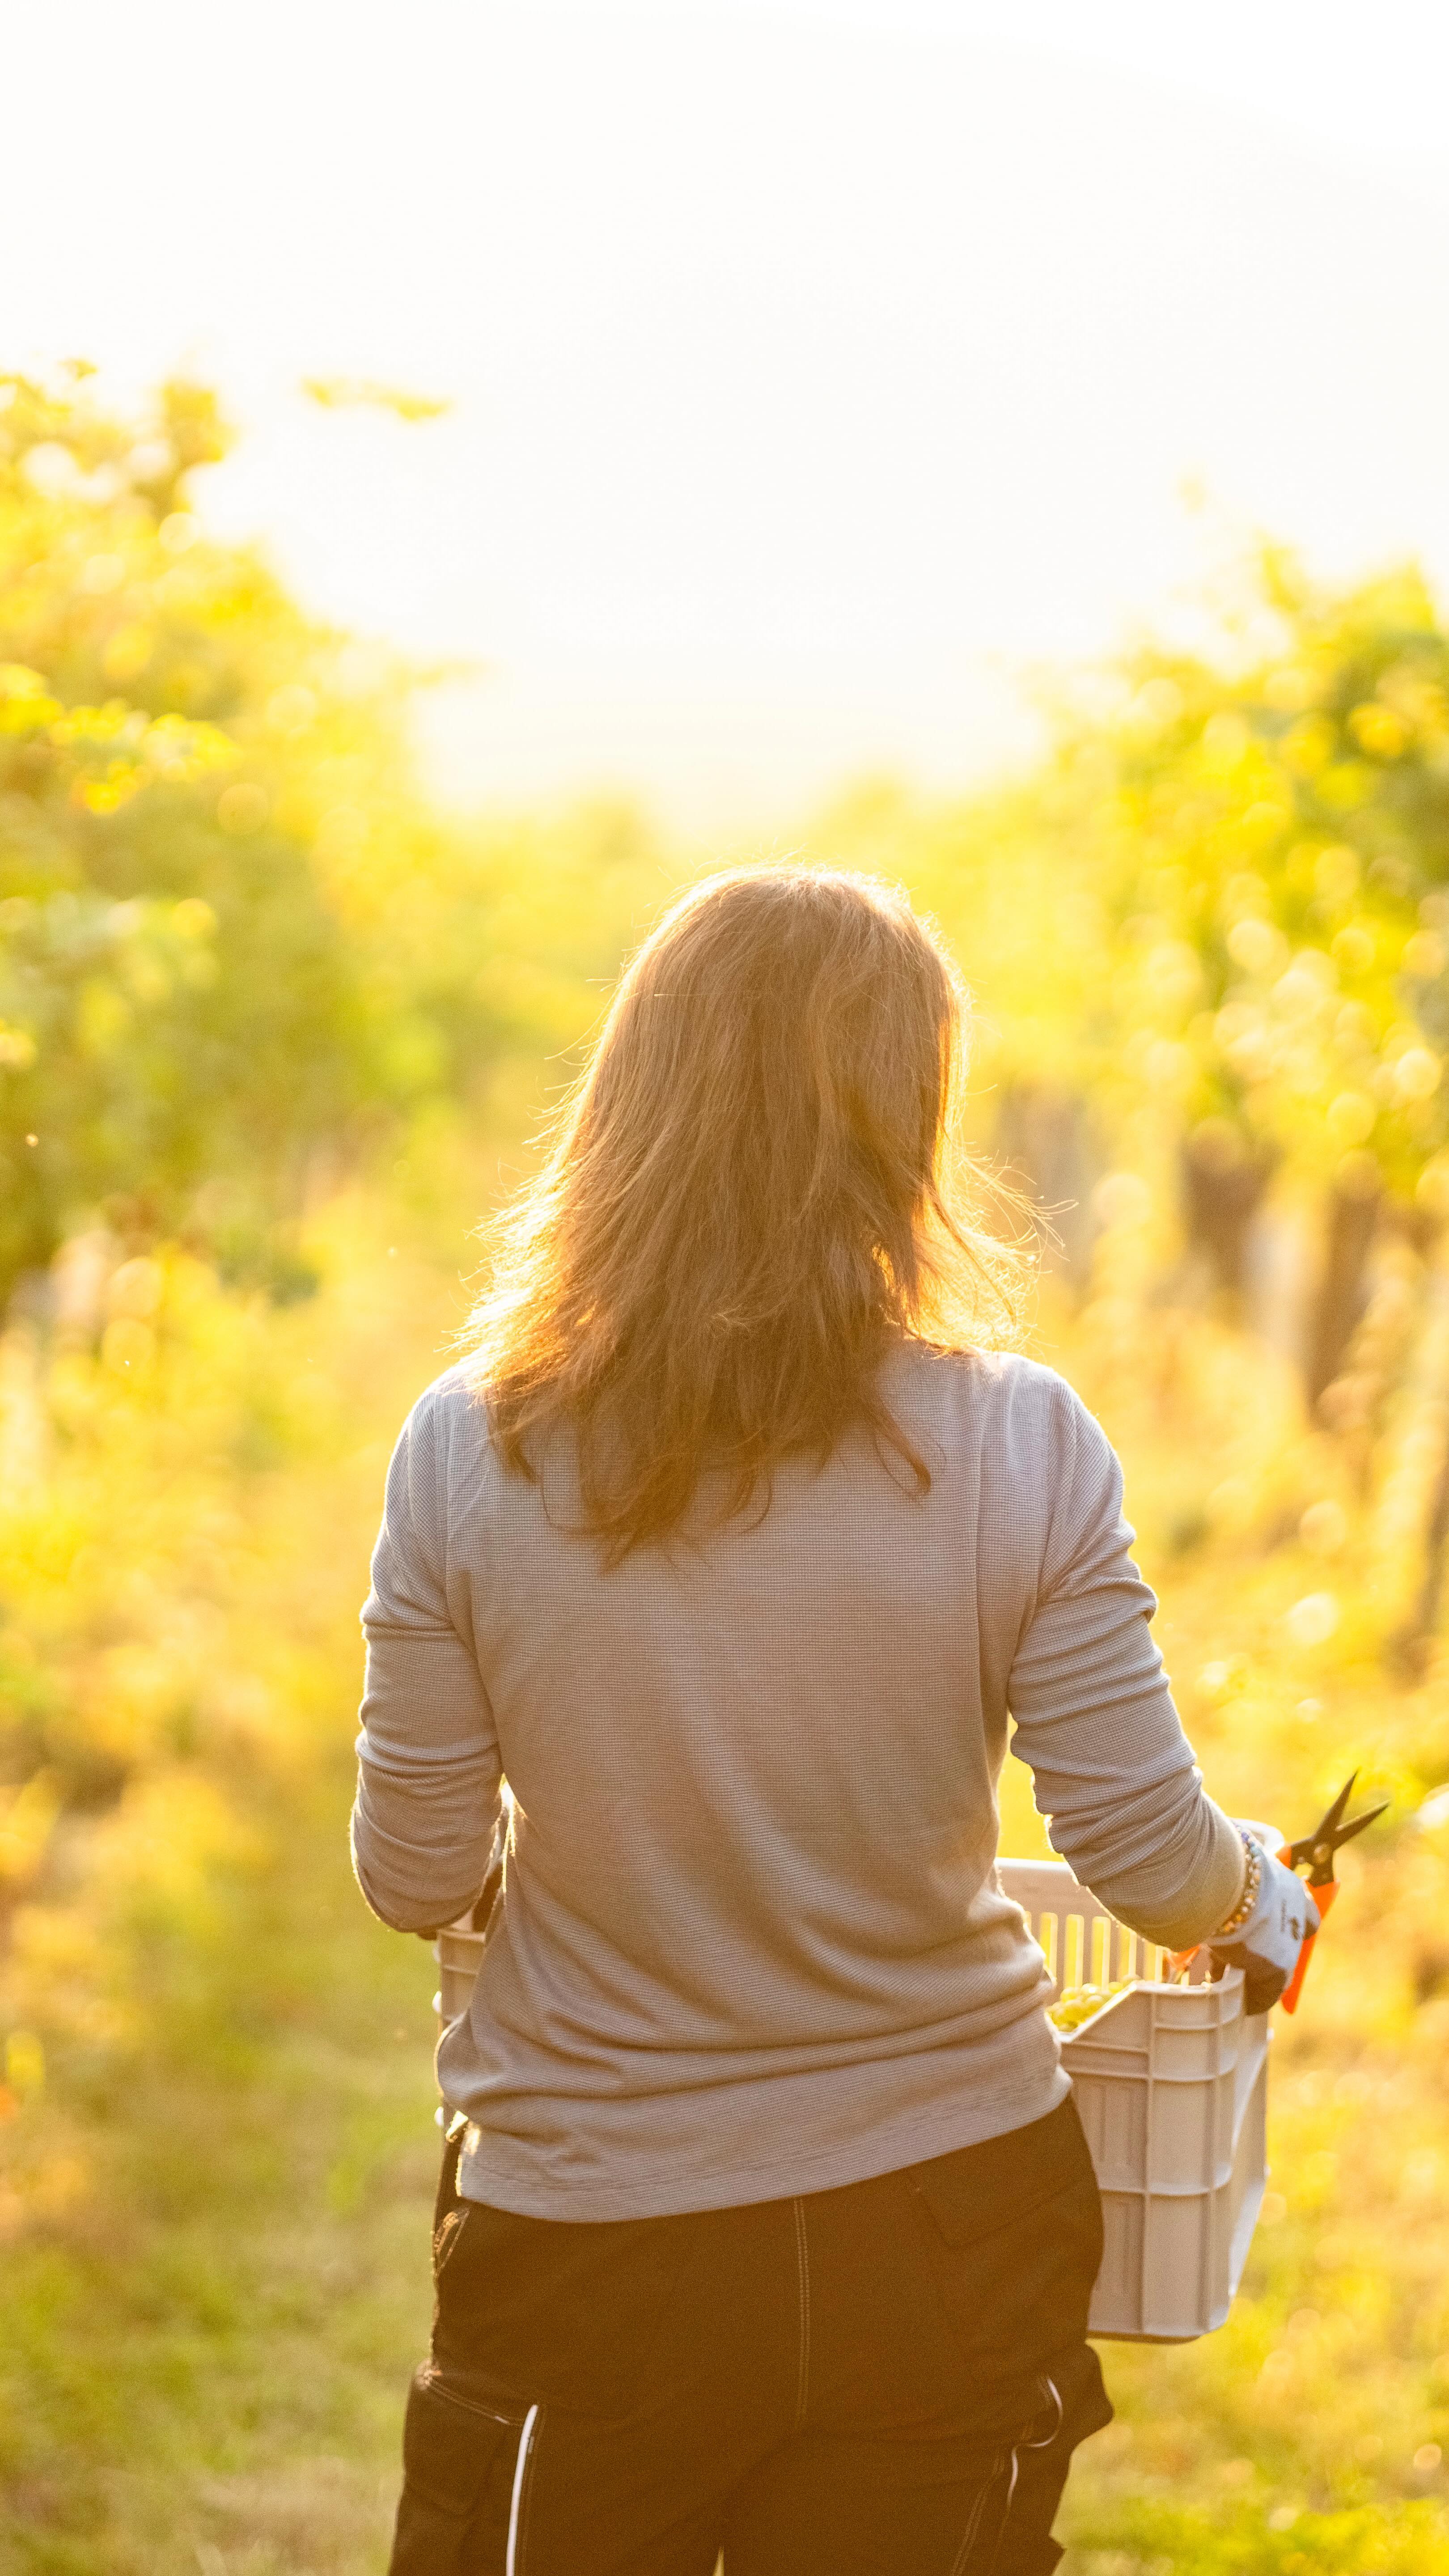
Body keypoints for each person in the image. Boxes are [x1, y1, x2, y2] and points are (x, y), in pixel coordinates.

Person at [352, 867, 1316, 2576]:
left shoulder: (469, 1445)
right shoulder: (1022, 1441)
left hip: (595, 2244)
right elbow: (1145, 1855)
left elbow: (416, 1874)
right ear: (910, 1124)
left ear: (631, 1103)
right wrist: (1263, 1897)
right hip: (947, 2233)